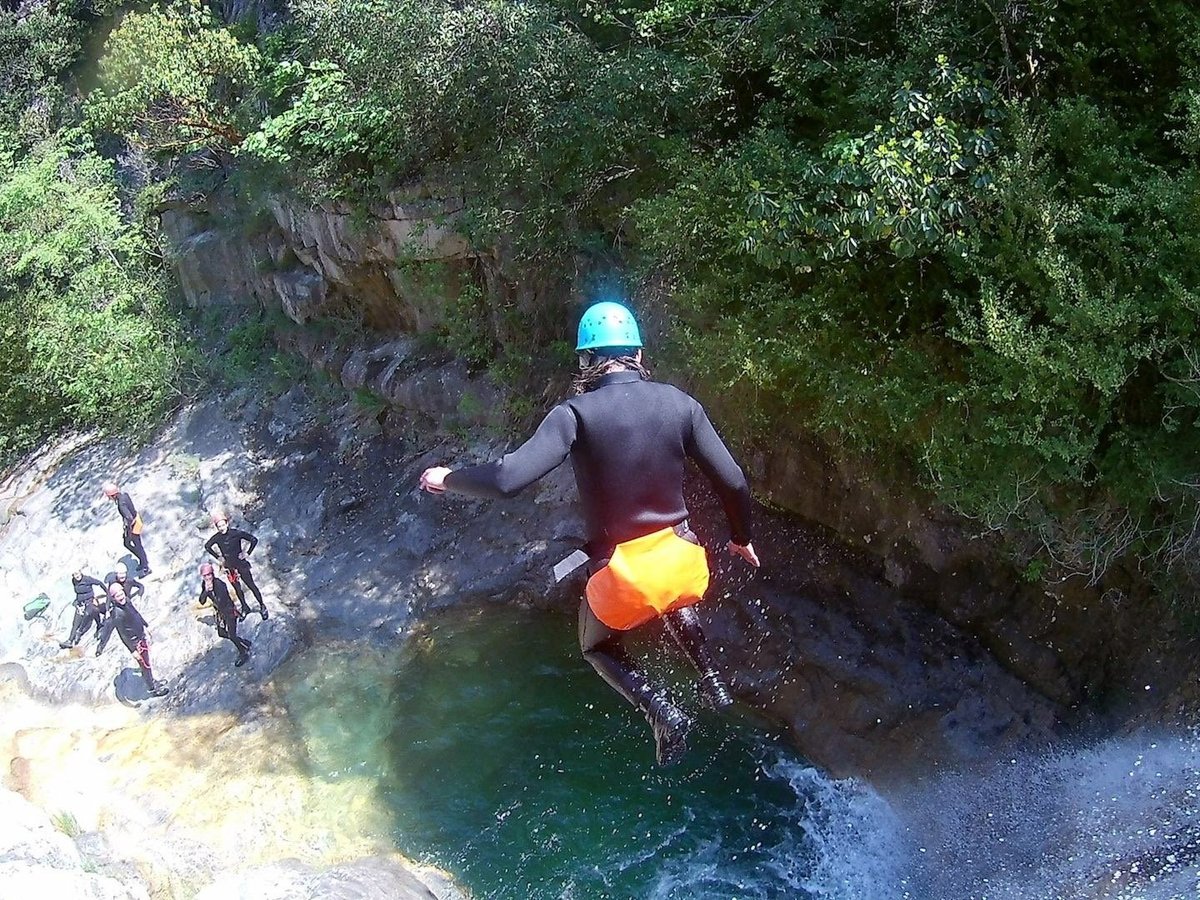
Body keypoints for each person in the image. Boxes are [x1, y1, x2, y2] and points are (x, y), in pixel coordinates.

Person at [420, 301, 760, 765]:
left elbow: (508, 480)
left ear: (586, 361)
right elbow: (734, 480)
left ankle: (661, 712)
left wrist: (448, 478)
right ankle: (712, 677)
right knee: (670, 595)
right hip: (685, 563)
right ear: (638, 354)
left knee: (596, 645)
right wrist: (741, 536)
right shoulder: (681, 404)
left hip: (621, 577)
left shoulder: (573, 415)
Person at [96, 582, 169, 697]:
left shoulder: (127, 601)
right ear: (114, 599)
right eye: (118, 596)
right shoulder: (117, 614)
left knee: (146, 663)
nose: (121, 597)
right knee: (145, 664)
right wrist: (133, 650)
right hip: (135, 642)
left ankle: (152, 681)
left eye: (122, 593)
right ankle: (152, 689)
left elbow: (136, 614)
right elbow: (122, 634)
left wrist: (146, 626)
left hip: (140, 636)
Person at [204, 512, 268, 620]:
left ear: (227, 523)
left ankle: (262, 605)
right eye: (219, 526)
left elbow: (253, 540)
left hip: (241, 564)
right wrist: (218, 557)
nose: (221, 528)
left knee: (251, 585)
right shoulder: (217, 537)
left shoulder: (235, 533)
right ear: (216, 527)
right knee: (237, 588)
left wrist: (247, 553)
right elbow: (207, 546)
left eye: (223, 525)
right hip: (229, 567)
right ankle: (244, 607)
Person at [197, 563, 252, 667]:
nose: (208, 577)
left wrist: (212, 590)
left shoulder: (219, 584)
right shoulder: (204, 585)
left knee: (232, 634)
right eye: (205, 576)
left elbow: (221, 600)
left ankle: (243, 652)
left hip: (229, 611)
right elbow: (202, 601)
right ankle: (243, 642)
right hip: (220, 613)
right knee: (221, 633)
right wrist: (206, 591)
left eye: (209, 574)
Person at [101, 481, 151, 576]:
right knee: (128, 543)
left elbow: (129, 517)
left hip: (134, 525)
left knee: (136, 545)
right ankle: (142, 560)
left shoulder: (121, 504)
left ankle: (146, 567)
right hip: (136, 519)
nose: (108, 498)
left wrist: (127, 529)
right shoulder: (125, 495)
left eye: (109, 496)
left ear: (113, 495)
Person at [59, 568, 108, 649]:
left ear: (80, 572)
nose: (77, 576)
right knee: (75, 622)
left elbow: (99, 583)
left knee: (89, 613)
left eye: (78, 574)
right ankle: (70, 641)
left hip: (89, 602)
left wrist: (107, 592)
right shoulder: (74, 581)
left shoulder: (87, 579)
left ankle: (83, 630)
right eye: (75, 575)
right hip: (80, 604)